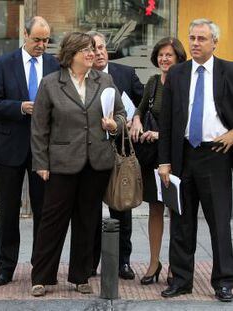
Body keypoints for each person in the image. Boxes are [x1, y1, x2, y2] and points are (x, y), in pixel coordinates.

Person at [30, 32, 126, 297]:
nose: (92, 53)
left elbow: (121, 113)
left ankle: (81, 275)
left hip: (96, 163)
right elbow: (39, 128)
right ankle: (41, 276)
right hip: (61, 163)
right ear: (71, 54)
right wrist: (41, 162)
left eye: (93, 49)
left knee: (88, 220)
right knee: (53, 221)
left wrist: (114, 124)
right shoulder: (51, 83)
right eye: (86, 49)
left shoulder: (104, 79)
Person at [158, 19, 233, 302]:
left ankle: (224, 281)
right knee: (181, 221)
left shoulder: (229, 71)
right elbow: (166, 122)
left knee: (219, 222)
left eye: (202, 38)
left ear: (215, 42)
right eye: (192, 38)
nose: (195, 43)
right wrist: (164, 161)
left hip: (216, 155)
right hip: (182, 155)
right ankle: (181, 279)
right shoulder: (177, 74)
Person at [0, 16, 59, 286]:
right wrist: (20, 107)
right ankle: (6, 266)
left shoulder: (54, 65)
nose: (41, 45)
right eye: (37, 39)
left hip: (44, 149)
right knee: (8, 211)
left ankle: (40, 267)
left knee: (44, 211)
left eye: (46, 40)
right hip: (10, 146)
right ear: (24, 34)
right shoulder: (4, 63)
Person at [130, 37, 186, 285]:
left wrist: (161, 134)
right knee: (155, 209)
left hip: (178, 156)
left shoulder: (185, 83)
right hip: (153, 158)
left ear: (179, 58)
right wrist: (138, 120)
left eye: (169, 55)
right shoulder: (153, 82)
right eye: (161, 55)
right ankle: (154, 263)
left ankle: (176, 265)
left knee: (177, 211)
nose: (164, 59)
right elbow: (140, 109)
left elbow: (186, 125)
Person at [88, 30, 144, 280]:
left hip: (120, 153)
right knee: (89, 211)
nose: (97, 52)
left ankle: (123, 262)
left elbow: (144, 104)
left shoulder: (125, 74)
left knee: (122, 209)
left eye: (100, 47)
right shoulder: (82, 77)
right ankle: (90, 263)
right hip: (90, 154)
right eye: (92, 48)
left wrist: (138, 120)